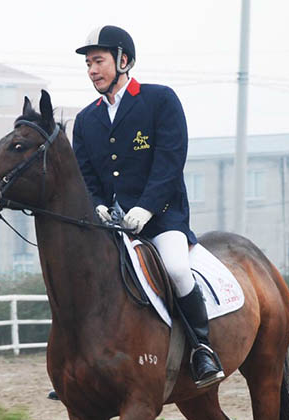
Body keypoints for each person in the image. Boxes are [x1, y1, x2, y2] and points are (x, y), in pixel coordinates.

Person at [70, 25, 224, 390]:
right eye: (88, 64)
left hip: (162, 218)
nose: (92, 70)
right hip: (112, 226)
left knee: (176, 269)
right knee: (81, 276)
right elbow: (85, 175)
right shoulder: (86, 120)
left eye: (98, 61)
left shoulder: (159, 100)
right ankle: (80, 361)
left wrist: (147, 208)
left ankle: (202, 349)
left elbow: (170, 161)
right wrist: (97, 205)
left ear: (123, 60)